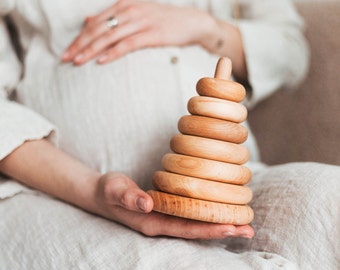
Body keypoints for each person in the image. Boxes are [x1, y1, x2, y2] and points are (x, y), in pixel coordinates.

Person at [0, 0, 338, 269]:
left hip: (227, 184)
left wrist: (205, 27)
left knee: (328, 200)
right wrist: (92, 190)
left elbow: (291, 50)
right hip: (66, 192)